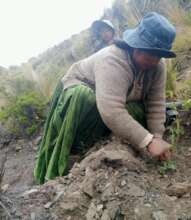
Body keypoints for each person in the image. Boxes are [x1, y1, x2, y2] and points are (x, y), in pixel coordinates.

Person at [34, 12, 177, 184]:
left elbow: (155, 103)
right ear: (136, 46)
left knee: (138, 110)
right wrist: (147, 141)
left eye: (158, 56)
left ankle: (100, 138)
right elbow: (112, 110)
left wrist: (157, 136)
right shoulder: (113, 59)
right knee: (85, 98)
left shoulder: (158, 67)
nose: (153, 61)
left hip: (109, 98)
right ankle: (74, 150)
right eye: (149, 54)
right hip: (78, 93)